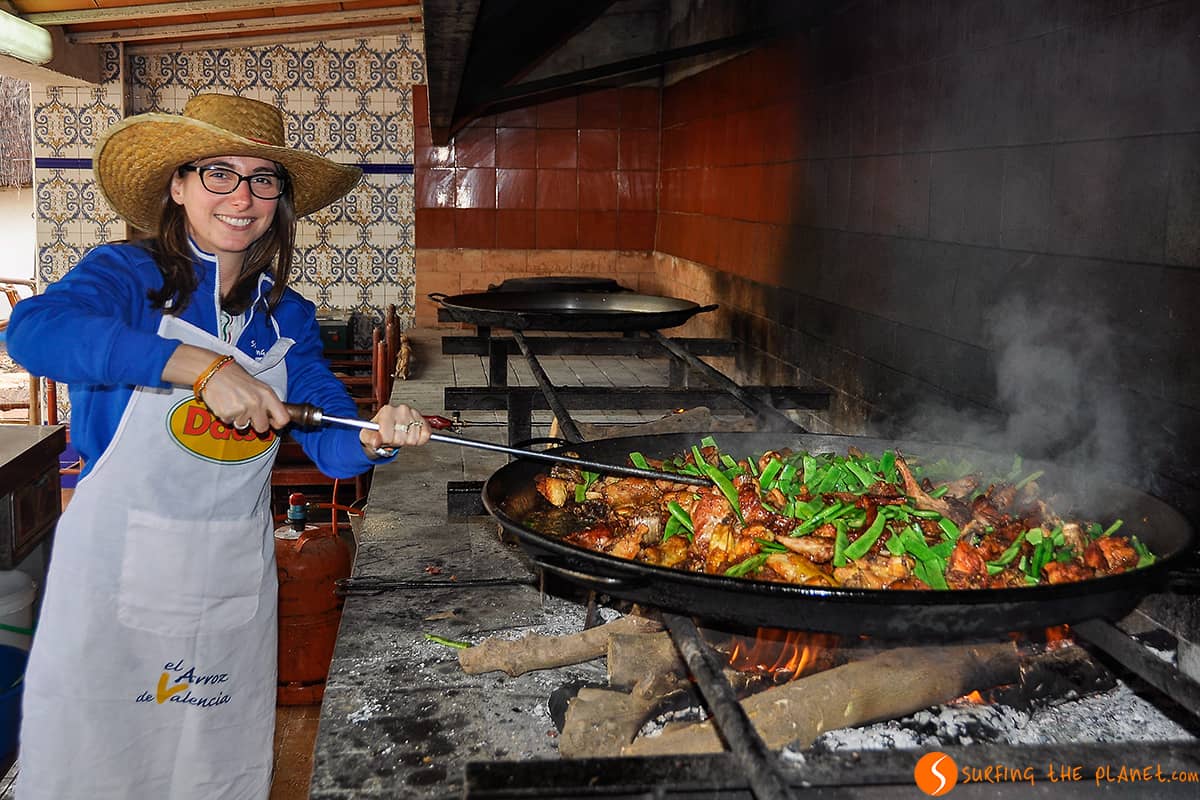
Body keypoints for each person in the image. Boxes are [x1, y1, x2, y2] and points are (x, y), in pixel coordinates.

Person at [6, 93, 431, 800]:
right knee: (100, 769)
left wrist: (378, 435)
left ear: (282, 200)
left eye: (264, 178)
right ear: (177, 185)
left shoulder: (285, 315)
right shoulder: (128, 278)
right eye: (219, 174)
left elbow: (331, 448)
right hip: (116, 580)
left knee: (210, 774)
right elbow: (32, 334)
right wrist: (200, 368)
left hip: (229, 582)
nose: (243, 196)